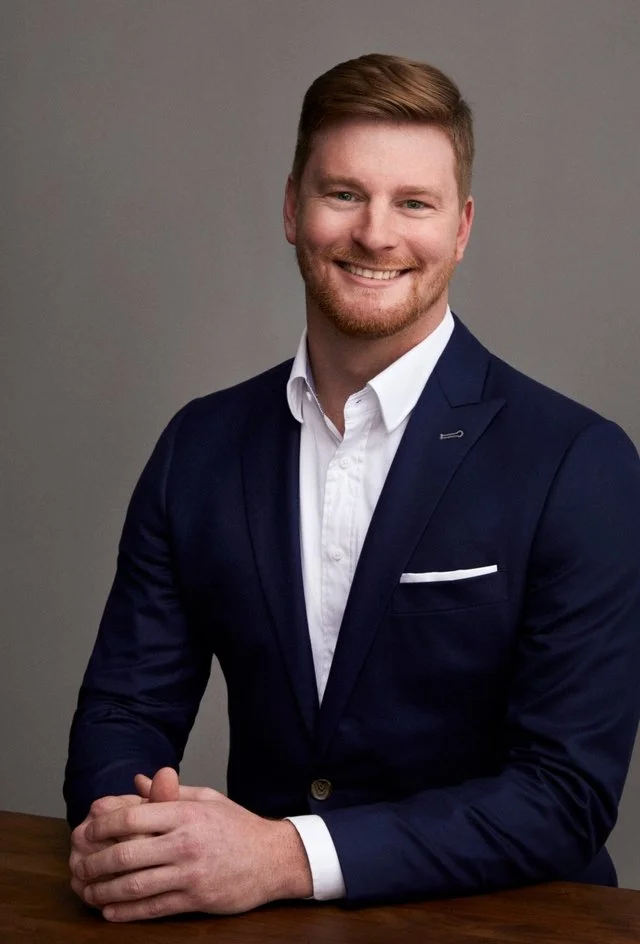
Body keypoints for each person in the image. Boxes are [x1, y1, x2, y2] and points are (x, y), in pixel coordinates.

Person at [64, 53, 640, 923]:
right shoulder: (201, 445)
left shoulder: (579, 463)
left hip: (510, 925)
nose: (376, 233)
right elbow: (125, 708)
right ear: (292, 208)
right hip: (255, 925)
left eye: (414, 202)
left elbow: (564, 795)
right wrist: (130, 829)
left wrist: (285, 854)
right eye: (344, 194)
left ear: (462, 227)